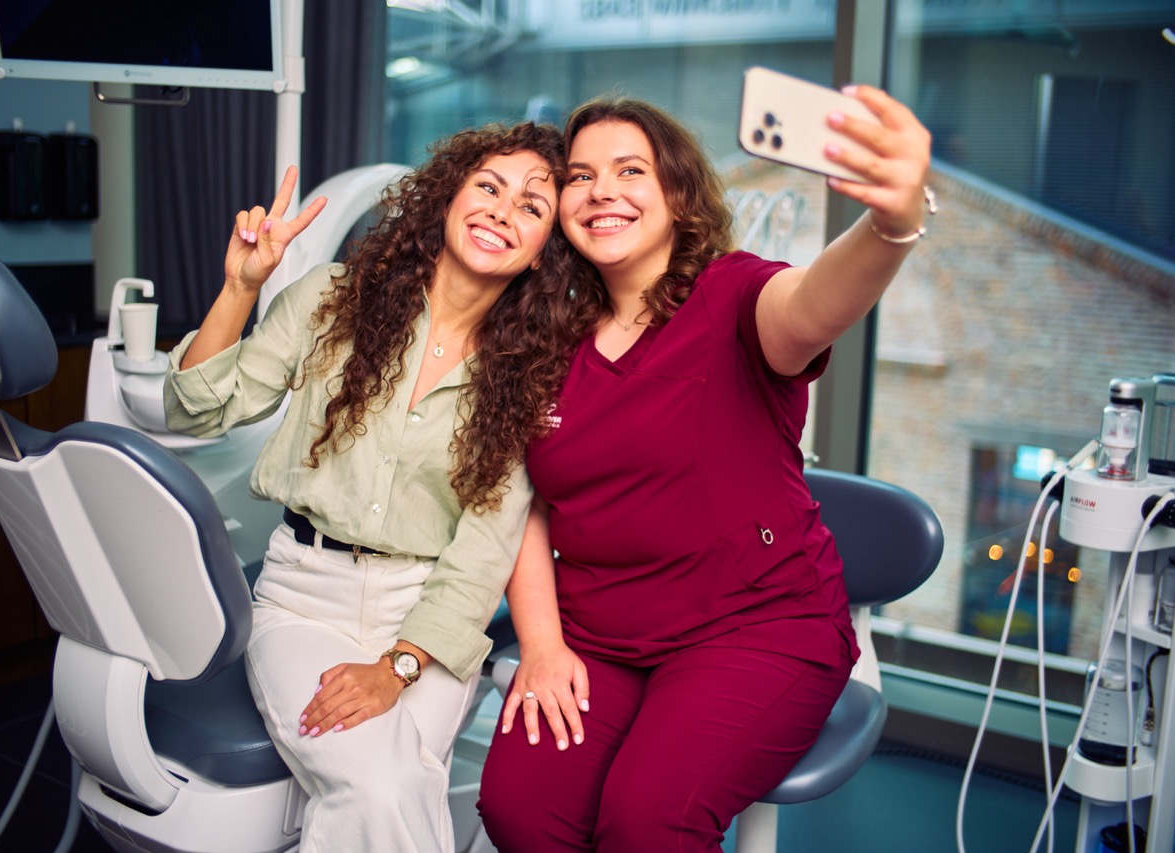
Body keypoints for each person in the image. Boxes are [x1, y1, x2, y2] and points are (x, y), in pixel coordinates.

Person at [476, 88, 933, 852]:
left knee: (649, 819)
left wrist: (891, 226)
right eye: (581, 176)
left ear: (678, 194)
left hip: (756, 627)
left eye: (631, 170)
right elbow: (528, 503)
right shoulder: (547, 335)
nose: (603, 191)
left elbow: (810, 307)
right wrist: (544, 645)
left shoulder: (734, 294)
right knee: (520, 809)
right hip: (602, 634)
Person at [163, 121, 581, 853]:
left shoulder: (530, 373)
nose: (501, 211)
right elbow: (195, 409)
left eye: (531, 206)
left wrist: (398, 666)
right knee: (386, 788)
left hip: (426, 613)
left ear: (545, 246)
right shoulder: (333, 300)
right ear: (449, 195)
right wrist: (240, 288)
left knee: (388, 793)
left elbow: (486, 548)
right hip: (303, 601)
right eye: (488, 186)